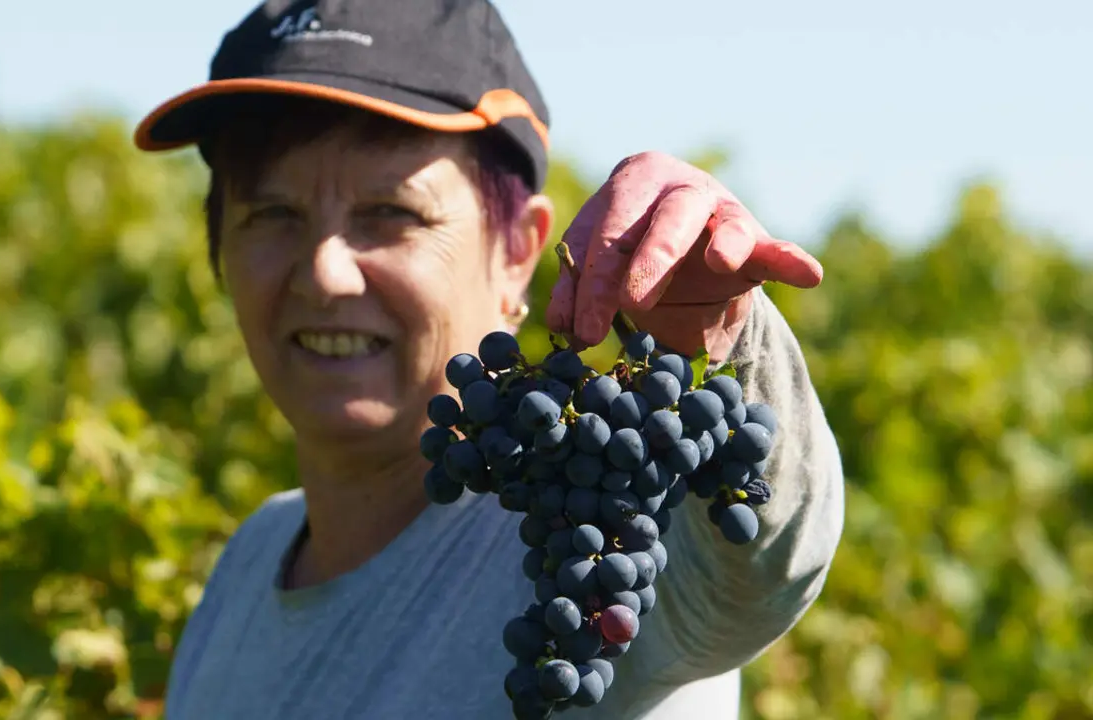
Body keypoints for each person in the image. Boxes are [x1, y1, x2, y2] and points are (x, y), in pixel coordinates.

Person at [132, 0, 845, 718]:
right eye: (271, 215)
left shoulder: (591, 537)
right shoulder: (250, 561)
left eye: (391, 213)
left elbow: (763, 562)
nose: (324, 274)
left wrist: (717, 331)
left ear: (519, 253)